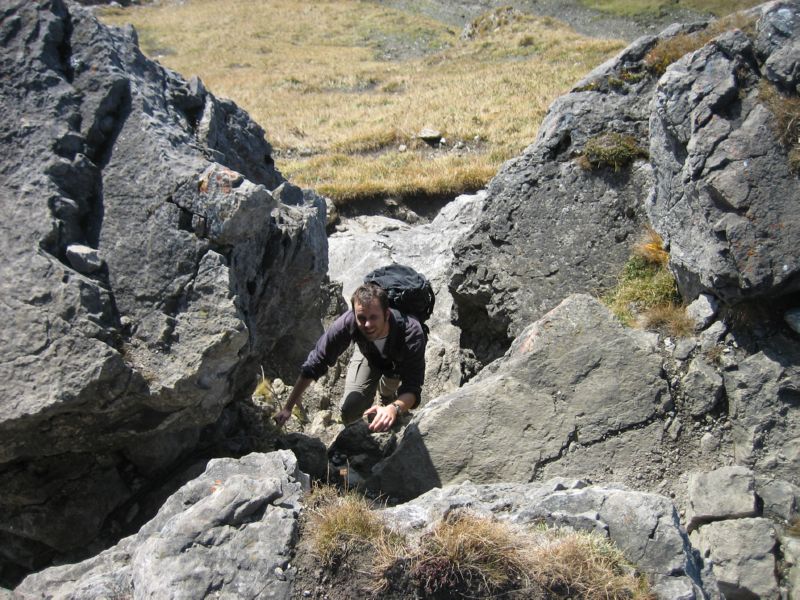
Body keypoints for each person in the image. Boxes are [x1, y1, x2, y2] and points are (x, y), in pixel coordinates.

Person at [273, 282, 427, 432]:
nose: (367, 325)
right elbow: (316, 362)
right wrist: (287, 408)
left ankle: (386, 398)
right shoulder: (349, 322)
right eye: (361, 318)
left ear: (386, 314)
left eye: (374, 317)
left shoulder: (411, 333)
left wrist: (394, 408)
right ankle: (358, 437)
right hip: (369, 354)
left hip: (397, 362)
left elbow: (413, 387)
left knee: (389, 389)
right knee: (350, 409)